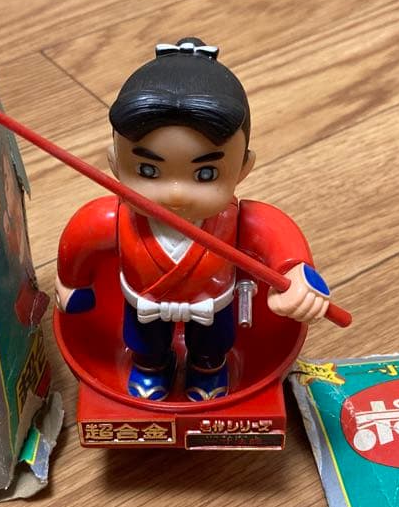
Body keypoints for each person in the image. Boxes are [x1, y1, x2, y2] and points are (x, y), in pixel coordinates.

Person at [56, 38, 330, 401]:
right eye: (148, 171)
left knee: (212, 344)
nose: (176, 194)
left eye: (205, 174)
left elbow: (279, 238)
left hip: (211, 304)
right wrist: (73, 282)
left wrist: (299, 278)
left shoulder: (237, 220)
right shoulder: (117, 217)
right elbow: (82, 236)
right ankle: (151, 368)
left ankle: (208, 369)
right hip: (145, 304)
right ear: (115, 164)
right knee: (145, 343)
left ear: (243, 168)